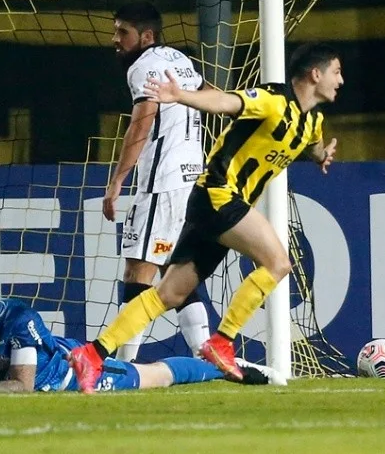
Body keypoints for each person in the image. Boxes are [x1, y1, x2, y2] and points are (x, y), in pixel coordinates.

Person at [68, 43, 341, 393]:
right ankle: (222, 342)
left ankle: (92, 353)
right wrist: (181, 95)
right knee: (278, 263)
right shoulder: (274, 101)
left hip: (211, 204)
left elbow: (311, 144)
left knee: (167, 294)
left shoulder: (312, 122)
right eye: (336, 71)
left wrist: (321, 156)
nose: (341, 79)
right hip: (217, 194)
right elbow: (227, 102)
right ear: (315, 74)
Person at [103, 2, 210, 362]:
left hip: (162, 182)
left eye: (123, 32)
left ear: (146, 36)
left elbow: (142, 119)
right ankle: (205, 355)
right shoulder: (179, 59)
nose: (115, 39)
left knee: (138, 269)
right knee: (173, 269)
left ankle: (124, 363)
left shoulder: (144, 66)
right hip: (192, 178)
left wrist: (117, 180)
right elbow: (208, 93)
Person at [0, 296, 283, 394]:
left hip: (65, 373)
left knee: (154, 376)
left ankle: (229, 367)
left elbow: (22, 386)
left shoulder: (18, 323)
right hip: (44, 360)